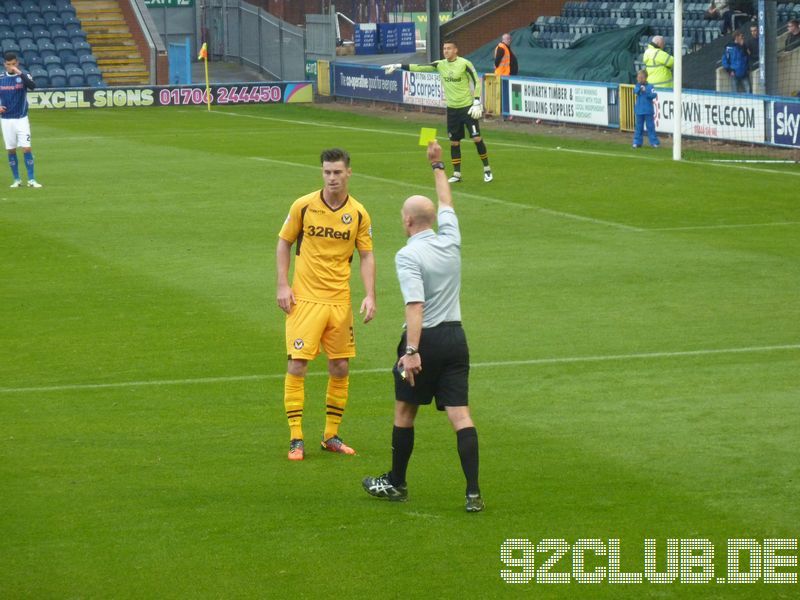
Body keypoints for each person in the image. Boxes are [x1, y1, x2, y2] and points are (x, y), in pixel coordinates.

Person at [362, 140, 484, 513]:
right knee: (460, 415)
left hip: (425, 339)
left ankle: (397, 483)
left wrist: (411, 352)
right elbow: (446, 202)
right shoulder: (451, 240)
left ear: (408, 221)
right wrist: (436, 166)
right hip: (456, 337)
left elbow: (415, 305)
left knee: (404, 413)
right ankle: (473, 492)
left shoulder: (408, 254)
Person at [276, 148, 376, 461]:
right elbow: (284, 242)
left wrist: (370, 294)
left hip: (339, 301)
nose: (331, 178)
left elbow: (366, 255)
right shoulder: (303, 206)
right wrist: (282, 283)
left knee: (341, 366)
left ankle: (330, 435)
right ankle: (296, 438)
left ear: (348, 173)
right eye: (326, 172)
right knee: (298, 364)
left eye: (337, 172)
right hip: (305, 299)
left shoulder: (358, 213)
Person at [382, 40, 493, 183]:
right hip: (452, 109)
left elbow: (477, 81)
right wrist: (398, 66)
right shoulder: (440, 64)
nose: (445, 51)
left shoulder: (465, 64)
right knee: (454, 142)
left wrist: (477, 101)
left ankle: (487, 169)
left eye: (448, 48)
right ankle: (457, 174)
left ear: (455, 50)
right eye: (444, 48)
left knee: (476, 138)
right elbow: (420, 67)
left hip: (467, 108)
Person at [0, 52, 41, 188]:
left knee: (26, 148)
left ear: (17, 63)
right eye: (8, 64)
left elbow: (32, 86)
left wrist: (19, 73)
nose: (11, 66)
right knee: (11, 150)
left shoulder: (24, 76)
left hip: (21, 118)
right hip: (6, 120)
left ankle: (31, 179)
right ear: (4, 64)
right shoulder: (1, 78)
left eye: (13, 64)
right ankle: (16, 180)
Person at [632, 70, 660, 149]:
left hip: (648, 111)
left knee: (650, 127)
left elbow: (654, 95)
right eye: (638, 77)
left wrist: (646, 91)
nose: (639, 79)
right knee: (638, 127)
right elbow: (635, 91)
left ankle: (654, 143)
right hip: (639, 111)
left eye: (641, 77)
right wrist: (640, 89)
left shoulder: (650, 86)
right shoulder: (637, 86)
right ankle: (637, 143)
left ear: (645, 78)